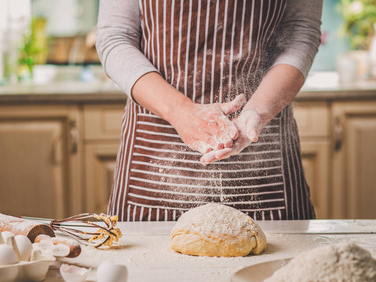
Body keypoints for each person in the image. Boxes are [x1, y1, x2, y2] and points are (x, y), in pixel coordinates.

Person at [96, 0, 323, 221]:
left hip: (262, 149)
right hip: (154, 152)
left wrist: (258, 111)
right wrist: (180, 111)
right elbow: (115, 37)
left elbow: (300, 32)